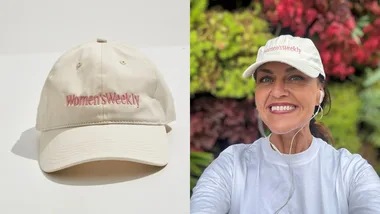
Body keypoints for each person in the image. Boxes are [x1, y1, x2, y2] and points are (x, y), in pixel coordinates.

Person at [190, 35, 380, 214]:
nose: (277, 92)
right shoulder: (232, 166)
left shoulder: (350, 173)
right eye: (266, 79)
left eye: (295, 77)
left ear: (319, 93)